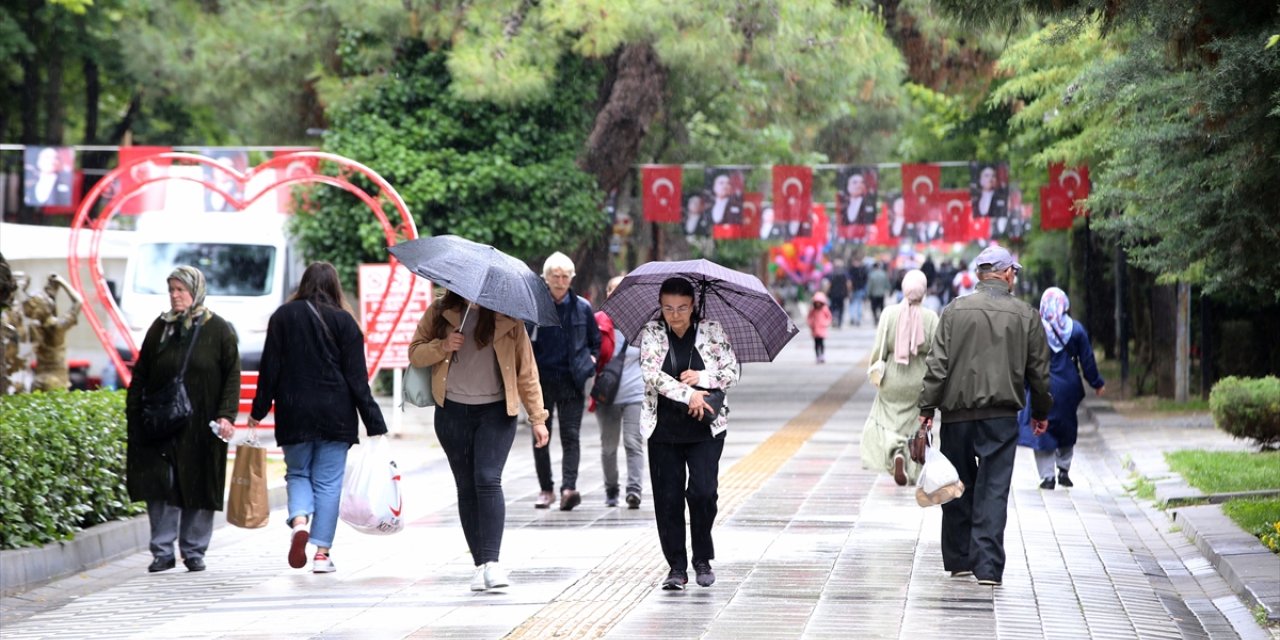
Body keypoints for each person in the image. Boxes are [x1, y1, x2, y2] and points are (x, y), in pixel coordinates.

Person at [917, 245, 1052, 587]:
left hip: (957, 415)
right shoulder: (1026, 315)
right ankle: (987, 567)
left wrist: (926, 410)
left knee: (958, 483)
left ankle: (960, 558)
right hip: (1001, 416)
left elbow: (937, 366)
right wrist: (1040, 412)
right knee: (993, 488)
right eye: (1014, 273)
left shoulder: (954, 311)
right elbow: (1039, 371)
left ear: (980, 275)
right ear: (1006, 274)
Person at [248, 262, 388, 574]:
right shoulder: (346, 323)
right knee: (328, 484)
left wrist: (257, 412)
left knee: (298, 474)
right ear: (335, 287)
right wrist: (374, 422)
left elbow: (269, 369)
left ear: (304, 283)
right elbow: (357, 379)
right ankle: (322, 554)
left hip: (293, 410)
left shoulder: (283, 317)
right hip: (335, 414)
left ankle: (300, 520)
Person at [409, 289, 551, 592]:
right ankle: (479, 565)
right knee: (466, 487)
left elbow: (527, 372)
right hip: (451, 413)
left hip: (496, 412)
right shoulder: (440, 311)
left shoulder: (509, 318)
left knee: (487, 479)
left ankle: (493, 562)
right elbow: (416, 353)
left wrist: (537, 418)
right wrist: (443, 345)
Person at [126, 266, 240, 574]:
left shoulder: (218, 329)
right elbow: (141, 374)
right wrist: (134, 413)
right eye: (172, 290)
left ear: (196, 290)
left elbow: (232, 375)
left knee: (200, 482)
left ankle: (193, 550)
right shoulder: (161, 328)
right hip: (162, 423)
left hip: (203, 424)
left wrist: (227, 415)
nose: (175, 296)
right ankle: (162, 551)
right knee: (163, 483)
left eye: (181, 290)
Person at [640, 277, 739, 591]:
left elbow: (731, 370)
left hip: (705, 429)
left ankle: (702, 558)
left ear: (693, 305)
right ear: (660, 306)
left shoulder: (711, 330)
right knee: (668, 499)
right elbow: (651, 374)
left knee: (703, 493)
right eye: (668, 308)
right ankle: (677, 568)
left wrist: (702, 378)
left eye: (682, 308)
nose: (675, 314)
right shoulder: (653, 333)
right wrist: (688, 394)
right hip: (664, 430)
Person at [528, 252, 600, 510]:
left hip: (572, 380)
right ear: (546, 278)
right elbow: (523, 343)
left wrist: (591, 359)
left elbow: (595, 341)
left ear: (571, 278)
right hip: (540, 381)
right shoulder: (535, 307)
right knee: (540, 436)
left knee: (571, 436)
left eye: (565, 276)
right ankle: (546, 489)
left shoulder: (582, 307)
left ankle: (568, 488)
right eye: (555, 276)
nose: (560, 281)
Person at [1018, 287, 1105, 489]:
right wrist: (1097, 383)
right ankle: (1064, 468)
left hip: (1042, 383)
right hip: (1068, 386)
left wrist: (1022, 385)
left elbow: (1024, 360)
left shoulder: (1034, 329)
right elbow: (1088, 360)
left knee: (1041, 426)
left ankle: (1047, 476)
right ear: (1065, 305)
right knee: (1067, 424)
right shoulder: (1076, 330)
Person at [860, 270, 938, 486]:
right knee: (914, 422)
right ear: (923, 290)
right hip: (918, 379)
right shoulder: (930, 317)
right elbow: (937, 353)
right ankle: (911, 466)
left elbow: (880, 348)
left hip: (893, 377)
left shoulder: (889, 314)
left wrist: (875, 370)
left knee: (887, 420)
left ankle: (896, 452)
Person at [593, 275, 646, 508]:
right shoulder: (597, 323)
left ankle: (634, 489)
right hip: (608, 395)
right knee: (608, 446)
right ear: (607, 294)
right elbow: (589, 353)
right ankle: (611, 488)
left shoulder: (645, 326)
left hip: (636, 393)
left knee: (633, 441)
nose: (617, 293)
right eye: (613, 289)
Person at [22, 274, 83, 391]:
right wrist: (62, 282)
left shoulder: (34, 327)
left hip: (38, 379)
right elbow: (78, 302)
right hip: (56, 380)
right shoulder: (57, 327)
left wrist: (53, 293)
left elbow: (50, 312)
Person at [807, 291, 832, 364]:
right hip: (815, 329)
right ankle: (817, 356)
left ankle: (822, 355)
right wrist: (810, 323)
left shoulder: (824, 309)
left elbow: (829, 317)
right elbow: (809, 317)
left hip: (822, 329)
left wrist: (826, 323)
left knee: (821, 343)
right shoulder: (813, 309)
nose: (818, 304)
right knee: (816, 343)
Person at [824, 262, 850, 328]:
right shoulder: (845, 274)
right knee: (841, 308)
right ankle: (839, 322)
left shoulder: (832, 274)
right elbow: (848, 284)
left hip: (833, 294)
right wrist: (848, 291)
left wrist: (826, 292)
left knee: (833, 307)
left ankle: (833, 318)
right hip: (842, 294)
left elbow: (829, 284)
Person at [848, 260, 869, 327]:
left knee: (853, 304)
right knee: (858, 304)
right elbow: (866, 280)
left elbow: (849, 281)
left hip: (854, 289)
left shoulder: (851, 270)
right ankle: (857, 319)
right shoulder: (862, 270)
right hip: (860, 289)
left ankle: (853, 317)